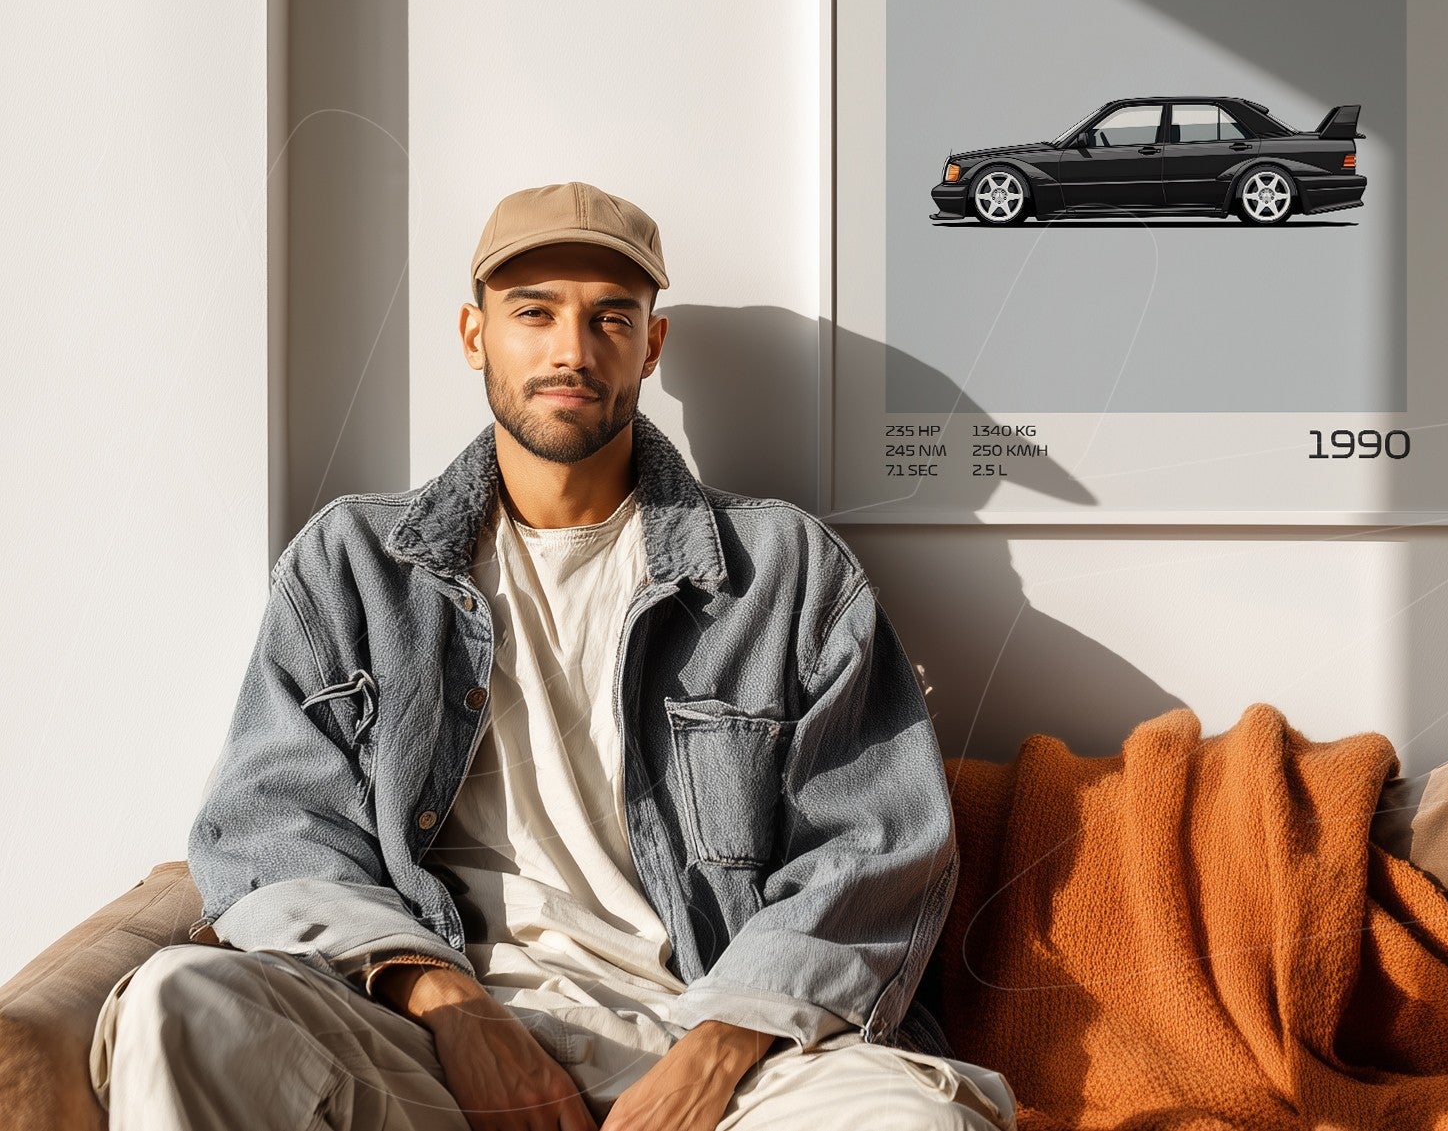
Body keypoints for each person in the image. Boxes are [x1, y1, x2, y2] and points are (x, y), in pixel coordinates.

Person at [92, 181, 1014, 1131]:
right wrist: (454, 1009)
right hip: (426, 1040)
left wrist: (715, 1050)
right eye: (533, 313)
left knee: (920, 1120)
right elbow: (268, 830)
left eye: (610, 317)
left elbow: (875, 848)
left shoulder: (780, 569)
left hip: (711, 1033)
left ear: (649, 345)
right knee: (177, 1005)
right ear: (473, 334)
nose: (571, 350)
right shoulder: (353, 564)